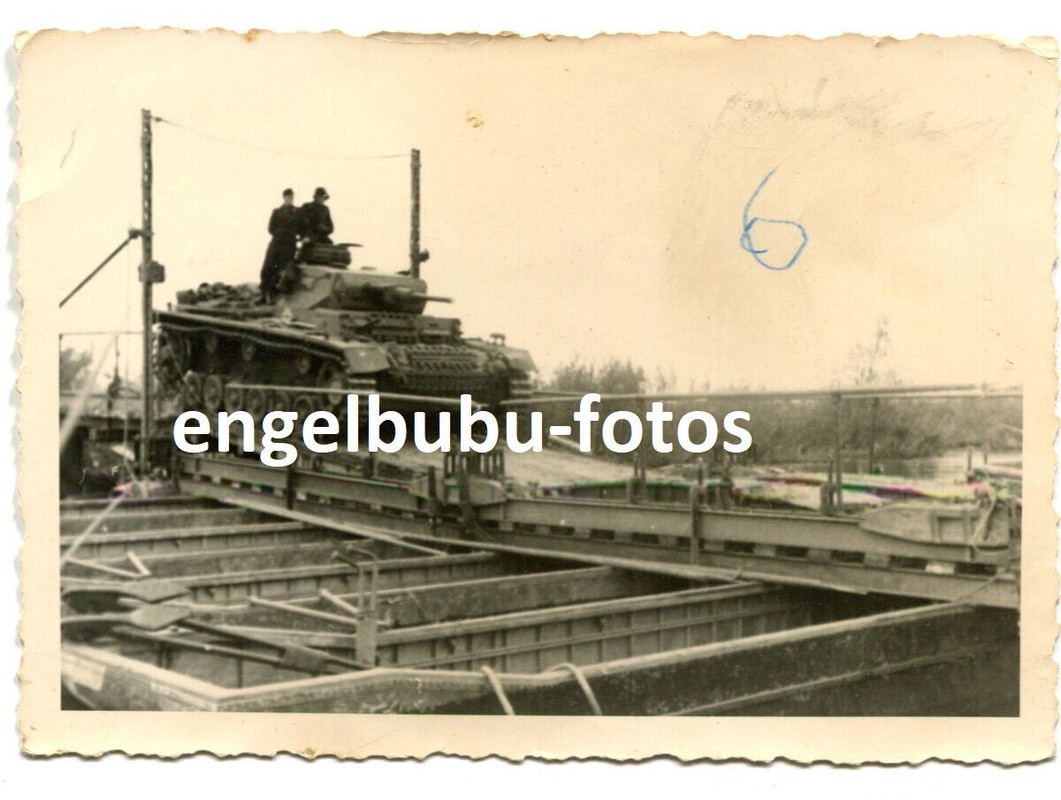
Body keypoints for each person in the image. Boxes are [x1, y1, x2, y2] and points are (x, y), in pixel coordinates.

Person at [260, 188, 300, 302]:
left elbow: (301, 226)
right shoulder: (277, 211)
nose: (290, 199)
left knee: (283, 270)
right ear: (284, 197)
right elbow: (271, 228)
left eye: (292, 197)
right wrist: (279, 234)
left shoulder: (297, 212)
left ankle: (275, 297)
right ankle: (264, 294)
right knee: (268, 267)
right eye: (288, 197)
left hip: (289, 244)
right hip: (276, 242)